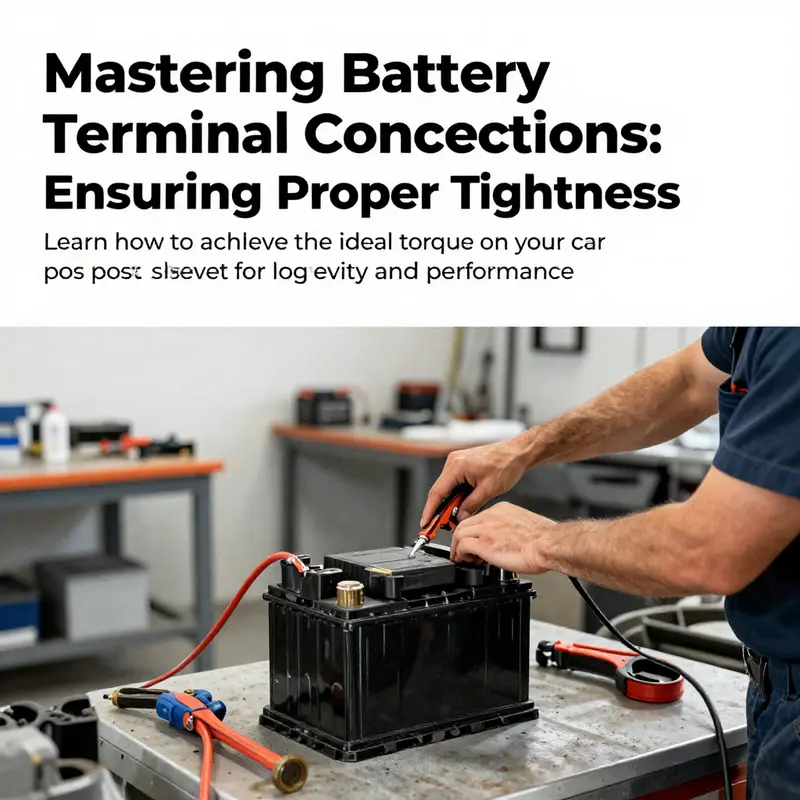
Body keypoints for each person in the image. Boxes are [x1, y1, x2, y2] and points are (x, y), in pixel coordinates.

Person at [421, 327, 800, 800]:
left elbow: (708, 549)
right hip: (774, 687)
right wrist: (520, 450)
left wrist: (542, 540)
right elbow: (685, 381)